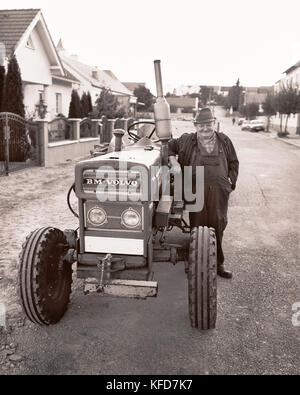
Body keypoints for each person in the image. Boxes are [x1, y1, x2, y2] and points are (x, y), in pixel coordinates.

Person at [168, 107, 239, 279]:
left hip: (219, 189)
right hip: (194, 189)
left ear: (214, 123)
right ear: (195, 125)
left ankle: (218, 264)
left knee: (218, 224)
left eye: (208, 124)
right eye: (201, 125)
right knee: (198, 226)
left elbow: (234, 162)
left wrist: (230, 180)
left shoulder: (224, 140)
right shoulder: (186, 140)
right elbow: (169, 146)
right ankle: (196, 263)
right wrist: (174, 163)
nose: (205, 128)